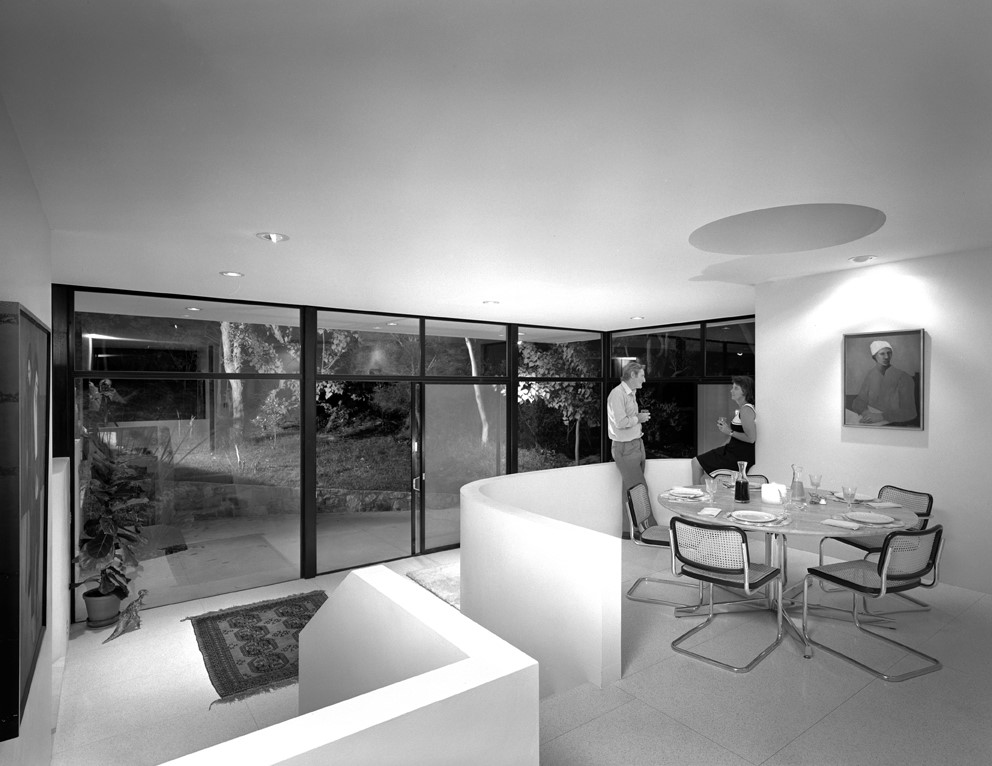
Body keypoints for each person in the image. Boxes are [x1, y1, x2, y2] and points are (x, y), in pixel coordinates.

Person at [691, 376, 756, 484]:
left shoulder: (746, 410)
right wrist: (722, 446)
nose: (731, 390)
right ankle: (702, 495)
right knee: (703, 473)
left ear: (744, 391)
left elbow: (751, 438)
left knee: (696, 462)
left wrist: (729, 431)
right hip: (732, 451)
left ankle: (696, 496)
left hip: (738, 455)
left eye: (736, 388)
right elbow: (734, 436)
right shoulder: (743, 409)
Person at [607, 361, 651, 514]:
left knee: (631, 491)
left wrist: (638, 419)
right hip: (625, 448)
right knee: (640, 490)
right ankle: (648, 529)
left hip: (636, 444)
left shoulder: (631, 393)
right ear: (632, 375)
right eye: (642, 376)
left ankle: (630, 531)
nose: (644, 380)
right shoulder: (617, 394)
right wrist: (638, 419)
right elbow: (620, 423)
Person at [851, 340, 917, 425]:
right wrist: (865, 413)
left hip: (896, 425)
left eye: (889, 353)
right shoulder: (871, 375)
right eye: (882, 354)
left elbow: (910, 412)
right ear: (874, 357)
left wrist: (881, 416)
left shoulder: (904, 378)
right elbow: (859, 401)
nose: (886, 357)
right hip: (872, 423)